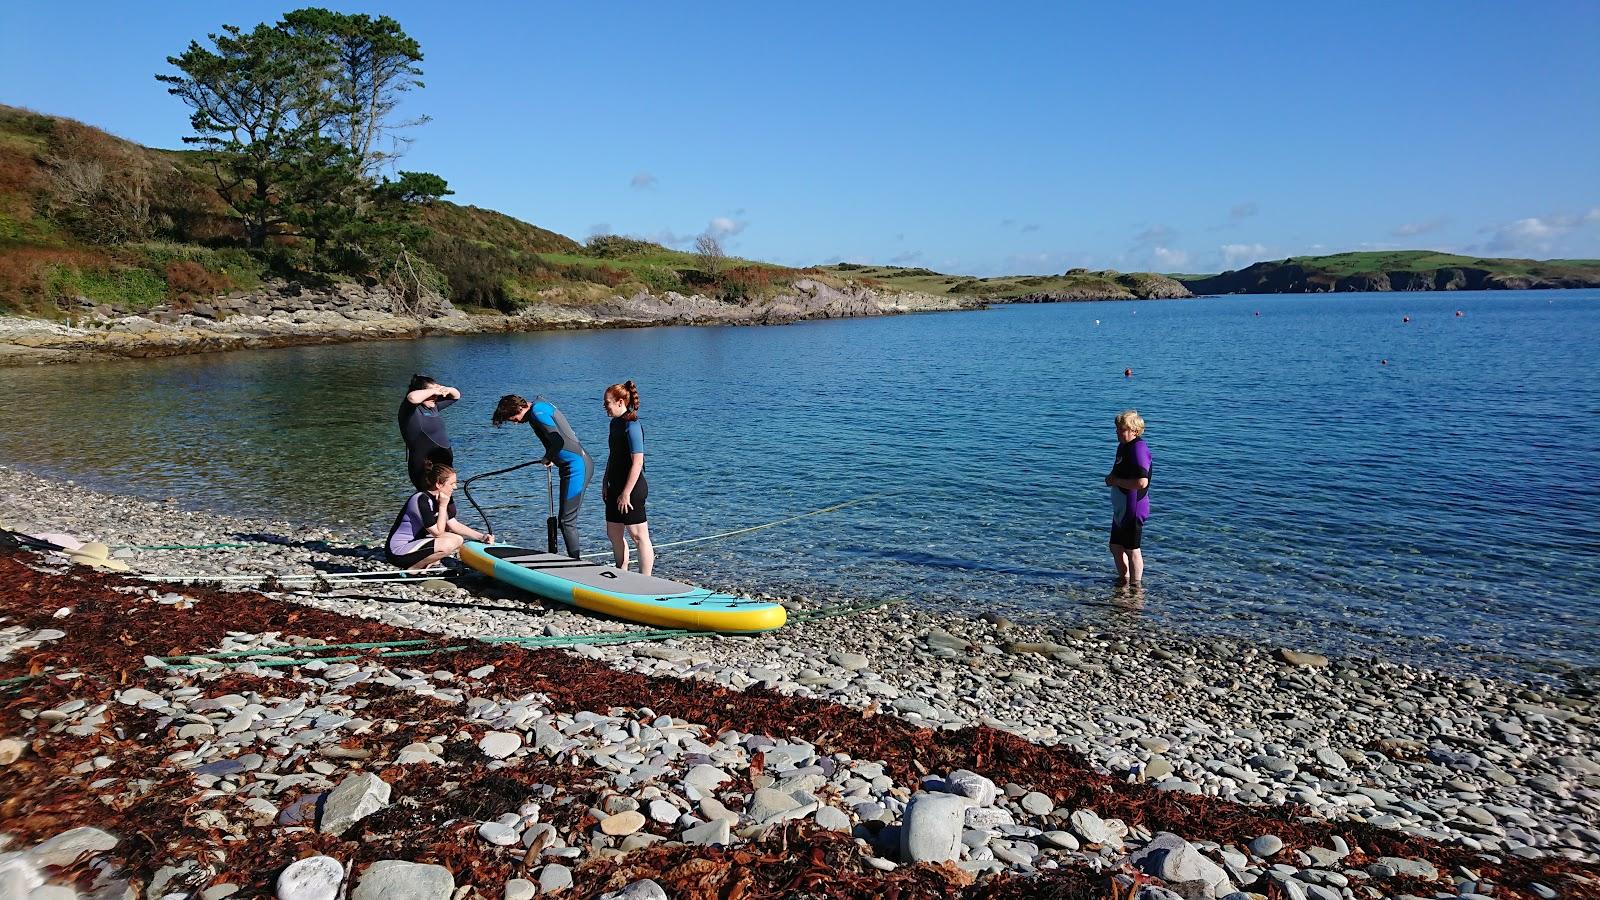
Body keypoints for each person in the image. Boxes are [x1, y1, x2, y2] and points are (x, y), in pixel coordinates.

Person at [491, 394, 593, 558]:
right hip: (573, 466)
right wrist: (551, 455)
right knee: (565, 521)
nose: (516, 423)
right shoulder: (539, 406)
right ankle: (573, 560)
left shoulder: (537, 412)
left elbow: (558, 441)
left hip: (577, 468)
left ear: (519, 408)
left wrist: (549, 456)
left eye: (514, 419)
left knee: (566, 521)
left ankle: (577, 563)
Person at [385, 462, 491, 572]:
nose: (455, 487)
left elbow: (453, 524)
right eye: (452, 484)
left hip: (416, 544)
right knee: (446, 544)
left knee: (458, 539)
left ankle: (425, 563)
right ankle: (413, 570)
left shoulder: (443, 497)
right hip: (398, 551)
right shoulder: (421, 500)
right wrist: (443, 506)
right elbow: (438, 533)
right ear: (438, 484)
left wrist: (482, 537)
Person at [602, 380, 654, 576]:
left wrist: (626, 493)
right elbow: (613, 454)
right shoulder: (615, 423)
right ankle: (621, 572)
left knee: (638, 535)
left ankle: (645, 578)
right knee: (613, 533)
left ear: (620, 402)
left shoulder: (632, 425)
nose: (604, 406)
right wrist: (605, 480)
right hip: (614, 485)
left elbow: (637, 462)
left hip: (632, 488)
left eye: (607, 402)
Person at [1104, 409, 1152, 587]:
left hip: (1134, 505)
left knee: (1131, 549)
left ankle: (1135, 586)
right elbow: (1117, 469)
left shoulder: (1138, 448)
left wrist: (1116, 481)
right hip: (1121, 505)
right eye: (1117, 429)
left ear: (1135, 431)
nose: (1117, 432)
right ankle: (1122, 581)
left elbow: (1141, 482)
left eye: (1121, 429)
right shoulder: (1123, 446)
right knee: (1116, 546)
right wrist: (1111, 478)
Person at [398, 375, 460, 492]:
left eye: (436, 394)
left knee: (449, 507)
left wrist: (443, 388)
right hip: (424, 465)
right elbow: (412, 397)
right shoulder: (410, 410)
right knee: (429, 500)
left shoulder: (433, 406)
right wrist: (434, 390)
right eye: (432, 393)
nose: (436, 396)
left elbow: (456, 395)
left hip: (444, 463)